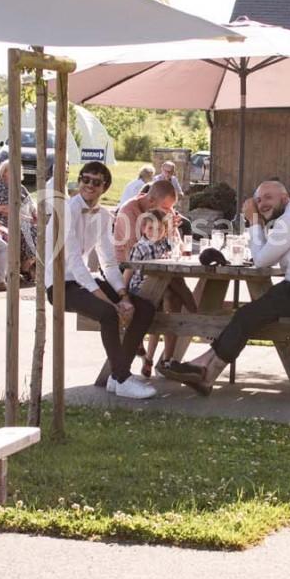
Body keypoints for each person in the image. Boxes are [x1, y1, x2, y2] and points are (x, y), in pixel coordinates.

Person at [159, 181, 290, 395]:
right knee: (249, 315)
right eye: (258, 200)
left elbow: (261, 260)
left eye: (269, 197)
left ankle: (203, 369)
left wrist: (254, 221)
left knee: (247, 315)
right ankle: (205, 371)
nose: (262, 203)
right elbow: (270, 254)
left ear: (285, 198)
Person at [46, 160, 157, 400]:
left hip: (84, 280)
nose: (89, 185)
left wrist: (124, 296)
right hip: (60, 284)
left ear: (104, 187)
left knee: (144, 308)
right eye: (85, 179)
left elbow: (108, 262)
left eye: (96, 182)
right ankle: (123, 377)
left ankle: (118, 377)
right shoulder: (66, 211)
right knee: (109, 313)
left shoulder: (104, 215)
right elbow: (75, 263)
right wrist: (112, 302)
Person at [128, 210, 196, 376]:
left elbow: (179, 250)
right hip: (143, 289)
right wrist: (123, 294)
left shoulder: (164, 243)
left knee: (169, 302)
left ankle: (157, 359)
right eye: (151, 229)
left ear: (165, 230)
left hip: (161, 289)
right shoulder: (140, 248)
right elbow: (129, 271)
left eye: (160, 229)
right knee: (173, 293)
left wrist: (173, 231)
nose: (154, 233)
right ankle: (195, 310)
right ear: (144, 229)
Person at [0, 162, 37, 280]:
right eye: (13, 170)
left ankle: (26, 267)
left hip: (22, 222)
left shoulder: (21, 188)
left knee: (43, 231)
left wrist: (35, 214)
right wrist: (28, 219)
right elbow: (4, 209)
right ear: (4, 173)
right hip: (4, 223)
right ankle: (23, 270)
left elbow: (31, 204)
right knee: (31, 232)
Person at [113, 179, 179, 263]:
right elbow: (139, 250)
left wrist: (171, 232)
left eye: (171, 208)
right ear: (151, 201)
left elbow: (178, 247)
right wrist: (166, 233)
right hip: (127, 266)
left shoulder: (166, 210)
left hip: (159, 264)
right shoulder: (129, 210)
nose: (169, 212)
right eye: (165, 208)